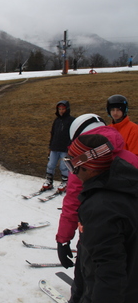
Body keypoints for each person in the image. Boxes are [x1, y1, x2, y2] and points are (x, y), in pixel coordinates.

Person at [56, 113, 138, 303]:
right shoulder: (128, 160)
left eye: (73, 166)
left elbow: (107, 274)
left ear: (89, 167)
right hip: (129, 253)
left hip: (100, 249)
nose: (73, 173)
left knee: (91, 278)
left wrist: (63, 239)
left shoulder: (98, 206)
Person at [41, 100, 75, 192]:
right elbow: (53, 133)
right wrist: (50, 147)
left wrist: (71, 147)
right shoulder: (57, 120)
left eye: (63, 109)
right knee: (51, 164)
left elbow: (74, 135)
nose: (61, 111)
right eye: (59, 109)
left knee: (64, 166)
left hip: (65, 149)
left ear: (67, 109)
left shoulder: (72, 120)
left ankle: (65, 182)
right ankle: (49, 181)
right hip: (54, 147)